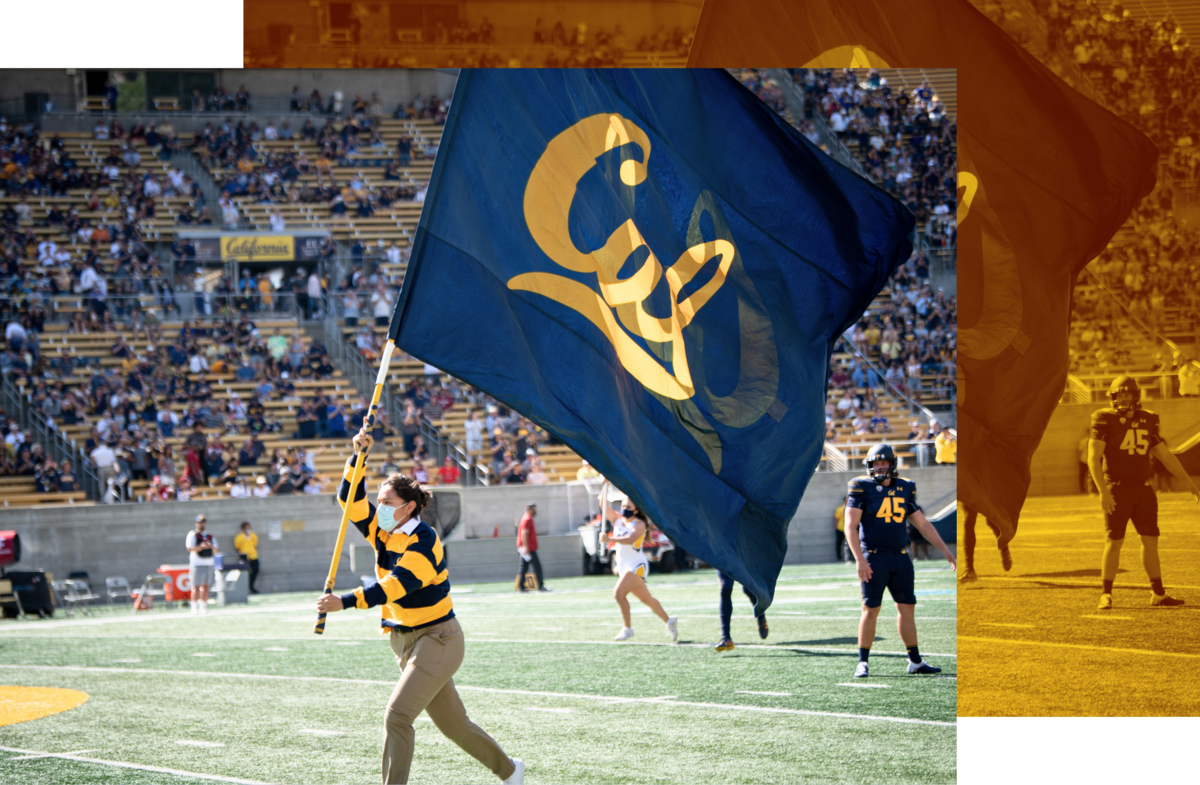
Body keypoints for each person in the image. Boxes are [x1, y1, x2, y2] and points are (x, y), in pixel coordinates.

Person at [316, 424, 524, 785]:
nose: (378, 507)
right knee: (454, 725)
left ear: (409, 507)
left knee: (397, 716)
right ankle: (510, 771)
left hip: (438, 639)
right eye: (378, 501)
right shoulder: (383, 530)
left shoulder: (424, 541)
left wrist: (345, 602)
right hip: (403, 641)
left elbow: (395, 587)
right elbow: (348, 499)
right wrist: (358, 455)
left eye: (386, 502)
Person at [1089, 376, 1200, 611]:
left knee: (1150, 541)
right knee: (1114, 540)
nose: (1123, 399)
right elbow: (1093, 458)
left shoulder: (1147, 419)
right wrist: (1102, 492)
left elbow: (1166, 456)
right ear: (1112, 397)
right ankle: (1106, 594)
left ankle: (1158, 593)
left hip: (1144, 488)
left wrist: (1190, 484)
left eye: (1127, 395)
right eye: (1119, 395)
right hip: (1117, 488)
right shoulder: (1103, 419)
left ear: (1135, 396)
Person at [845, 444, 955, 678]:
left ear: (892, 465)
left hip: (900, 557)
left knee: (907, 608)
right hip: (873, 558)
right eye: (875, 464)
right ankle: (862, 662)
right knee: (870, 608)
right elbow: (850, 526)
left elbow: (922, 524)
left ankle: (915, 661)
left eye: (883, 463)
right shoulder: (861, 487)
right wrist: (859, 560)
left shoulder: (905, 487)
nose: (879, 467)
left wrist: (944, 549)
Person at [598, 481, 678, 642]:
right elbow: (603, 504)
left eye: (628, 507)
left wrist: (609, 539)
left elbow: (631, 538)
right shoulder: (618, 520)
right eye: (623, 505)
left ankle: (627, 628)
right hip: (623, 567)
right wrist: (604, 485)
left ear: (637, 510)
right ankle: (670, 621)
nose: (625, 509)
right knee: (647, 600)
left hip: (636, 566)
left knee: (618, 594)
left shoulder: (639, 524)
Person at [713, 569, 767, 652]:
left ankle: (760, 615)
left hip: (741, 556)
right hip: (724, 557)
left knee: (748, 589)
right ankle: (726, 637)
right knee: (725, 588)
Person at [186, 514, 219, 615]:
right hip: (197, 564)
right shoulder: (193, 535)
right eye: (200, 522)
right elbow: (190, 548)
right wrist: (201, 547)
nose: (202, 524)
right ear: (196, 523)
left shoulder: (210, 536)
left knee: (206, 586)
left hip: (208, 563)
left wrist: (210, 546)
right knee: (195, 586)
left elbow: (216, 550)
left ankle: (203, 607)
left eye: (203, 522)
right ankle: (194, 607)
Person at [515, 504, 549, 592]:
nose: (535, 511)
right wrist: (526, 547)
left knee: (524, 568)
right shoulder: (527, 519)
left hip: (526, 547)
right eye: (534, 510)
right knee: (537, 567)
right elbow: (524, 533)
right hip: (529, 548)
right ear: (529, 509)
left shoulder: (525, 518)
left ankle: (521, 587)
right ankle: (540, 586)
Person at [233, 521, 260, 594]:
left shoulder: (253, 536)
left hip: (253, 556)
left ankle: (251, 585)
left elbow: (255, 545)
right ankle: (245, 587)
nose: (248, 528)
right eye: (246, 527)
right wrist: (240, 557)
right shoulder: (239, 537)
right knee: (245, 572)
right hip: (244, 557)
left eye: (249, 527)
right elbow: (237, 548)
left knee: (256, 569)